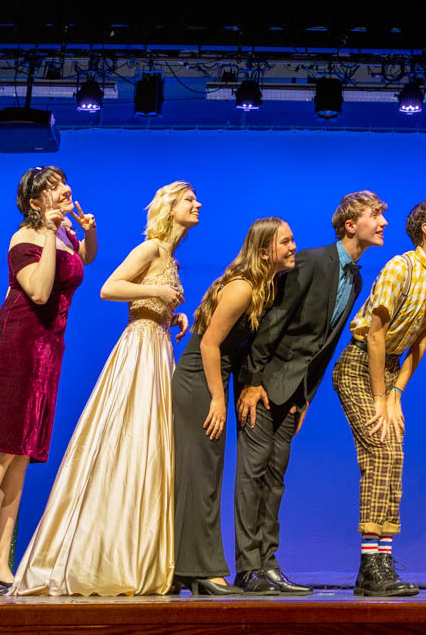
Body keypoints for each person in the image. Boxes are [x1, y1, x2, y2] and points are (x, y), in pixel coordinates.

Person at [9, 182, 199, 596]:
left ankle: (141, 553)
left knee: (151, 448)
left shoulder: (171, 257)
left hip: (158, 345)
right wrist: (157, 292)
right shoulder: (150, 248)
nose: (196, 204)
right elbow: (109, 287)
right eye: (189, 199)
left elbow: (151, 299)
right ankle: (106, 556)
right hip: (138, 353)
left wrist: (172, 314)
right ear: (170, 209)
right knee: (130, 443)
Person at [0, 166, 94, 595]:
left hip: (48, 352)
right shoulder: (25, 239)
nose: (64, 190)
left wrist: (86, 233)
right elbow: (39, 293)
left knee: (22, 455)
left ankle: (0, 561)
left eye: (64, 183)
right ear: (35, 203)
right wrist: (49, 234)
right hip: (20, 345)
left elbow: (84, 260)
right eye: (52, 188)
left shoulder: (63, 236)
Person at [231, 191, 385, 596]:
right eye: (375, 216)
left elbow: (324, 346)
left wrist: (305, 399)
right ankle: (248, 568)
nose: (382, 223)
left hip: (293, 393)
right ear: (351, 225)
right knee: (253, 475)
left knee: (275, 480)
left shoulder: (354, 277)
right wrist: (252, 381)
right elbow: (272, 324)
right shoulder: (314, 261)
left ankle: (268, 565)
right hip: (262, 385)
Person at [331, 196, 426, 597]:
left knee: (393, 456)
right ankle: (372, 566)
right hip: (359, 365)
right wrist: (379, 397)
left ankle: (380, 561)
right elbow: (374, 334)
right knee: (382, 452)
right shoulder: (400, 267)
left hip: (388, 372)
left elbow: (422, 339)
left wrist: (397, 392)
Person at [172, 217, 296, 596]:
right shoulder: (243, 287)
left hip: (209, 381)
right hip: (199, 382)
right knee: (202, 479)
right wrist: (218, 398)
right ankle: (204, 572)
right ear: (264, 252)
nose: (293, 247)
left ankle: (187, 571)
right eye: (285, 242)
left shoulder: (260, 284)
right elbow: (208, 344)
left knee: (201, 478)